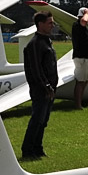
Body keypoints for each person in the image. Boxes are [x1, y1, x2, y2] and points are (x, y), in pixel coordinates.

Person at [21, 12, 58, 161]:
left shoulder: (46, 42)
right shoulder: (35, 44)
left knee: (43, 121)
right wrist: (46, 86)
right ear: (40, 24)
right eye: (49, 23)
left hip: (49, 89)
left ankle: (38, 148)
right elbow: (36, 69)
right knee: (37, 120)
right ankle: (28, 149)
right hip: (41, 90)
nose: (52, 25)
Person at [70, 7, 88, 109]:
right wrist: (86, 13)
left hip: (86, 57)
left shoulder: (83, 27)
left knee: (84, 81)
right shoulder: (77, 25)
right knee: (80, 81)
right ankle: (78, 104)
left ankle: (81, 101)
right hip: (81, 57)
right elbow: (84, 21)